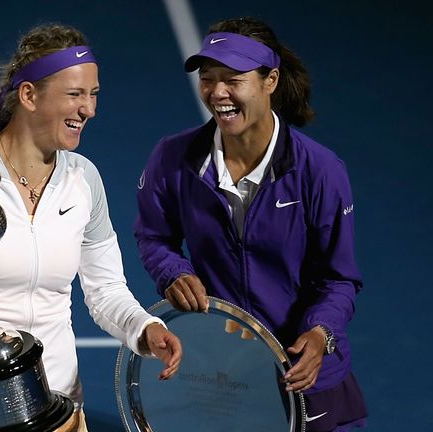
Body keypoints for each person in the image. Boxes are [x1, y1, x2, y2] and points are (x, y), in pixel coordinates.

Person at [0, 23, 182, 432]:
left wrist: (144, 329)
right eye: (75, 95)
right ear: (28, 95)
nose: (89, 110)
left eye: (93, 95)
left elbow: (106, 288)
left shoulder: (84, 179)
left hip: (53, 406)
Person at [134, 17, 367, 431]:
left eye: (233, 79)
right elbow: (154, 235)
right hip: (223, 372)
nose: (217, 92)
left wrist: (320, 334)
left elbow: (339, 278)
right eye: (208, 79)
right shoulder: (172, 158)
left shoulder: (321, 171)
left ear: (270, 81)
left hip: (302, 373)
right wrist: (172, 271)